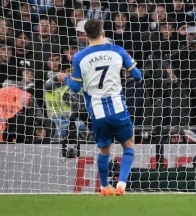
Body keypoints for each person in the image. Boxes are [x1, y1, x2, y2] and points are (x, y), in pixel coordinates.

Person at [58, 18, 142, 195]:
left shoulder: (79, 57)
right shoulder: (117, 51)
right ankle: (121, 185)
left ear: (86, 36)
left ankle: (104, 187)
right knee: (128, 145)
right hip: (118, 109)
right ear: (103, 33)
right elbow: (138, 76)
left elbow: (74, 87)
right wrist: (126, 73)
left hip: (97, 112)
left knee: (104, 149)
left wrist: (63, 78)